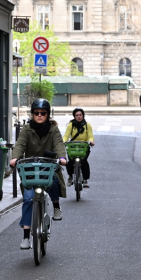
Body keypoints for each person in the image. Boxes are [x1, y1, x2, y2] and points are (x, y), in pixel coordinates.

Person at [10, 99, 67, 250]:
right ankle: (26, 237)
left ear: (48, 114)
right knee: (28, 199)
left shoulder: (53, 129)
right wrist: (15, 158)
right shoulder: (27, 129)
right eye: (37, 113)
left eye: (43, 113)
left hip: (48, 167)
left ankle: (56, 206)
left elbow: (59, 144)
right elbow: (20, 144)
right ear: (32, 114)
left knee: (54, 181)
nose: (40, 115)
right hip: (30, 169)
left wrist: (62, 158)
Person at [63, 107, 94, 187]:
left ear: (83, 115)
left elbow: (90, 136)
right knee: (69, 162)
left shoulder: (87, 125)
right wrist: (63, 141)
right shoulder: (71, 125)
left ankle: (85, 179)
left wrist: (91, 141)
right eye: (77, 115)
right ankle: (70, 176)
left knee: (84, 162)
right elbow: (66, 136)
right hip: (72, 147)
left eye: (80, 115)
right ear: (74, 116)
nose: (79, 116)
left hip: (83, 147)